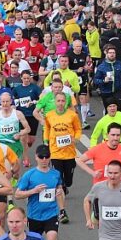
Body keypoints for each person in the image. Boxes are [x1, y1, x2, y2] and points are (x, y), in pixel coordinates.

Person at [15, 144, 65, 240]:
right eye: (41, 157)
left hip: (51, 214)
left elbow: (59, 189)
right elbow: (17, 194)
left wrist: (60, 200)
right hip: (34, 216)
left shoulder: (55, 174)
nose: (44, 159)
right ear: (36, 157)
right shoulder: (29, 175)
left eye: (47, 157)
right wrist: (33, 191)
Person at [43, 91, 81, 223]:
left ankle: (65, 185)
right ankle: (62, 210)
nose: (60, 103)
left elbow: (78, 129)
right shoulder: (49, 115)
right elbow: (47, 129)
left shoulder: (72, 115)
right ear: (54, 102)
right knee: (58, 177)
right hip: (55, 152)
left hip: (69, 152)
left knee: (68, 180)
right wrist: (46, 141)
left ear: (66, 102)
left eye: (62, 101)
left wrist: (75, 139)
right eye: (58, 101)